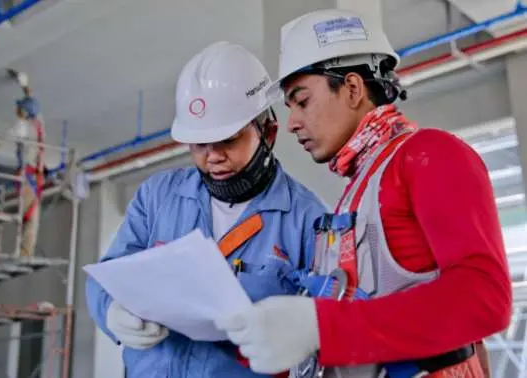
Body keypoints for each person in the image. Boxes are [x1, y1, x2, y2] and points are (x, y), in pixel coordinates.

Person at [215, 9, 511, 378]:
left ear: (353, 88)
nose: (292, 123)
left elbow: (484, 299)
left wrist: (322, 327)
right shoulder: (356, 194)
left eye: (301, 101)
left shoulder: (429, 156)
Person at [85, 41, 329, 378]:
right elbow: (108, 275)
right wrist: (111, 311)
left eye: (228, 139)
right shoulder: (157, 198)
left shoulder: (308, 220)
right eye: (200, 144)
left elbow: (326, 328)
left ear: (268, 133)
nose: (212, 157)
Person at [0, 70, 47, 258]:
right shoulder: (38, 122)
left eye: (18, 109)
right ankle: (25, 251)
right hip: (35, 175)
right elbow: (32, 102)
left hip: (27, 175)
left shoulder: (23, 127)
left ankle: (24, 252)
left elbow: (10, 132)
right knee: (32, 213)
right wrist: (24, 83)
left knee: (28, 215)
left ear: (23, 112)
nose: (16, 111)